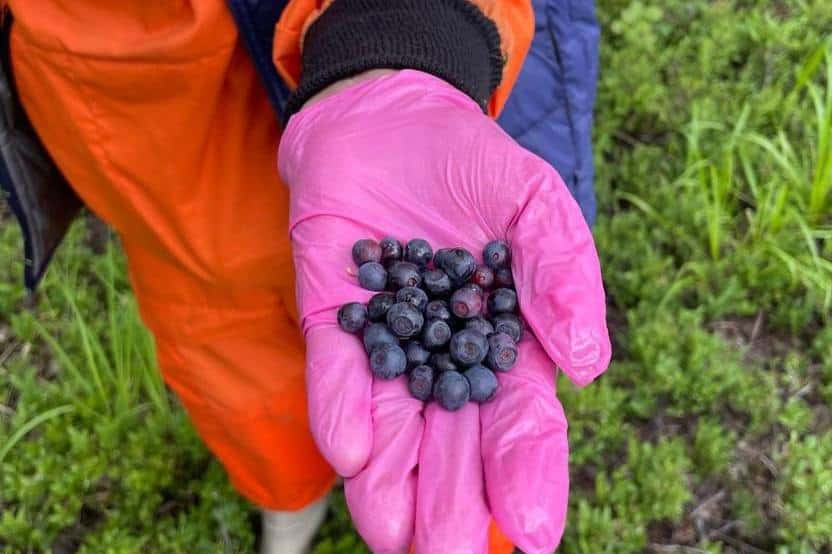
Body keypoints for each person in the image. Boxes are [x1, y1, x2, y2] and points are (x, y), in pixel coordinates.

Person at [0, 1, 610, 552]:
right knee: (226, 342)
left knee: (477, 462)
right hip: (144, 93)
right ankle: (286, 498)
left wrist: (405, 30)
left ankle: (480, 530)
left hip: (438, 83)